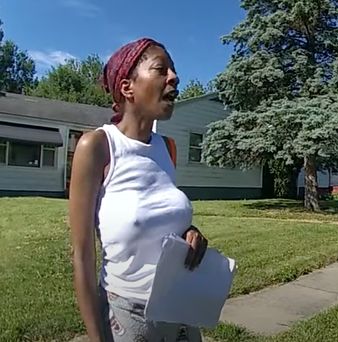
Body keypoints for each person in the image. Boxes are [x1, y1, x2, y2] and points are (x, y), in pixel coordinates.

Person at [68, 37, 208, 342]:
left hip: (180, 309)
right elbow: (82, 255)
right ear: (127, 87)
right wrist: (96, 338)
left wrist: (191, 233)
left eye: (173, 70)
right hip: (128, 319)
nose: (174, 77)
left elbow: (160, 217)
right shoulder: (97, 146)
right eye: (161, 69)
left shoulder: (167, 148)